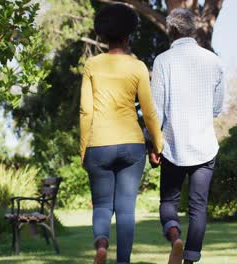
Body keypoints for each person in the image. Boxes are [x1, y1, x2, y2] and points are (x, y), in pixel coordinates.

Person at [80, 4, 163, 264]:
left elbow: (85, 111)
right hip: (132, 145)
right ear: (128, 36)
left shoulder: (92, 65)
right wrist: (157, 145)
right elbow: (148, 112)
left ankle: (102, 245)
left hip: (99, 144)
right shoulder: (137, 67)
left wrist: (84, 147)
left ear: (103, 36)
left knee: (103, 205)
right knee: (126, 210)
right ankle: (123, 261)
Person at [149, 8, 225, 264]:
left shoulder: (162, 61)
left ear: (171, 30)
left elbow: (156, 111)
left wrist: (152, 144)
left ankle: (175, 238)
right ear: (193, 29)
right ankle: (190, 259)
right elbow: (216, 108)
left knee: (168, 201)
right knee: (198, 207)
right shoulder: (213, 60)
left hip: (172, 145)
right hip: (204, 146)